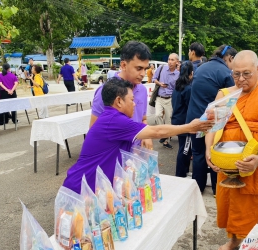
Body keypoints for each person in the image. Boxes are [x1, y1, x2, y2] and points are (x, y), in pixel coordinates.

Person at [63, 78, 213, 193]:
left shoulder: (112, 118)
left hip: (93, 187)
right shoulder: (114, 120)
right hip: (82, 189)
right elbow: (157, 132)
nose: (135, 104)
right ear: (119, 101)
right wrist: (189, 127)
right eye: (132, 100)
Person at [205, 50, 258, 250]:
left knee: (256, 202)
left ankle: (256, 246)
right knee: (230, 202)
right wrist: (208, 150)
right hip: (226, 159)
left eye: (246, 74)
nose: (241, 79)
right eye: (236, 74)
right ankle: (233, 240)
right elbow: (213, 126)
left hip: (257, 160)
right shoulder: (224, 95)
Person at [185, 44, 236, 195]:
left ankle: (198, 188)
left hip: (195, 118)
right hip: (213, 120)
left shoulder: (201, 67)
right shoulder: (226, 73)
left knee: (198, 154)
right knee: (214, 153)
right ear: (230, 58)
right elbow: (231, 99)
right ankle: (216, 188)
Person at [89, 41, 153, 149]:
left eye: (145, 69)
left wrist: (147, 136)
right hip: (114, 155)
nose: (143, 74)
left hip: (136, 154)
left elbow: (143, 119)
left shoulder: (142, 90)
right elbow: (94, 132)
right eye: (139, 68)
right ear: (123, 65)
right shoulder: (105, 91)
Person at [152, 53, 180, 149]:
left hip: (170, 99)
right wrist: (160, 84)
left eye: (172, 60)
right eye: (169, 59)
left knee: (168, 121)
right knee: (158, 115)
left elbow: (178, 88)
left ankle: (165, 141)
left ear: (177, 62)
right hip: (159, 97)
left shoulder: (178, 74)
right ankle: (163, 135)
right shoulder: (161, 68)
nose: (170, 62)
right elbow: (153, 79)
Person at [172, 61, 194, 178]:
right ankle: (180, 174)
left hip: (177, 120)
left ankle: (184, 170)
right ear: (191, 73)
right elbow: (190, 107)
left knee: (184, 147)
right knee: (185, 149)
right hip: (185, 122)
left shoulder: (177, 86)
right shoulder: (188, 89)